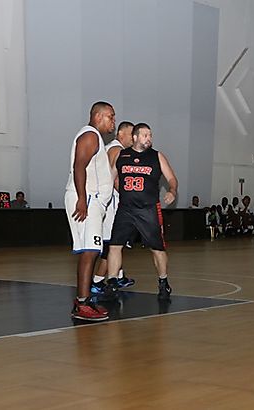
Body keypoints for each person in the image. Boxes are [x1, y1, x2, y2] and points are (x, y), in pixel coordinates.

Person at [105, 123, 178, 301]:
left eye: (150, 135)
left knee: (157, 248)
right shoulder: (123, 155)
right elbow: (110, 178)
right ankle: (112, 282)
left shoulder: (156, 156)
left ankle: (163, 281)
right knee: (114, 245)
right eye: (145, 135)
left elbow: (171, 178)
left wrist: (172, 191)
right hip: (126, 209)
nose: (149, 139)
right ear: (135, 137)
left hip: (148, 209)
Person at [64, 101, 116, 321]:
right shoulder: (90, 135)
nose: (113, 121)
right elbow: (79, 166)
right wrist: (83, 200)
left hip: (92, 200)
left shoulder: (94, 137)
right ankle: (82, 304)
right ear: (98, 116)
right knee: (90, 250)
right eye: (110, 117)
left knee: (92, 250)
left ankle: (83, 300)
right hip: (86, 199)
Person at [92, 121, 135, 294]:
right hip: (112, 203)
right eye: (131, 134)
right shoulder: (117, 150)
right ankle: (98, 281)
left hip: (110, 201)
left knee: (117, 242)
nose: (133, 138)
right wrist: (128, 196)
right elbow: (113, 178)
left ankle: (119, 275)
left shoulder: (112, 148)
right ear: (121, 134)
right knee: (112, 245)